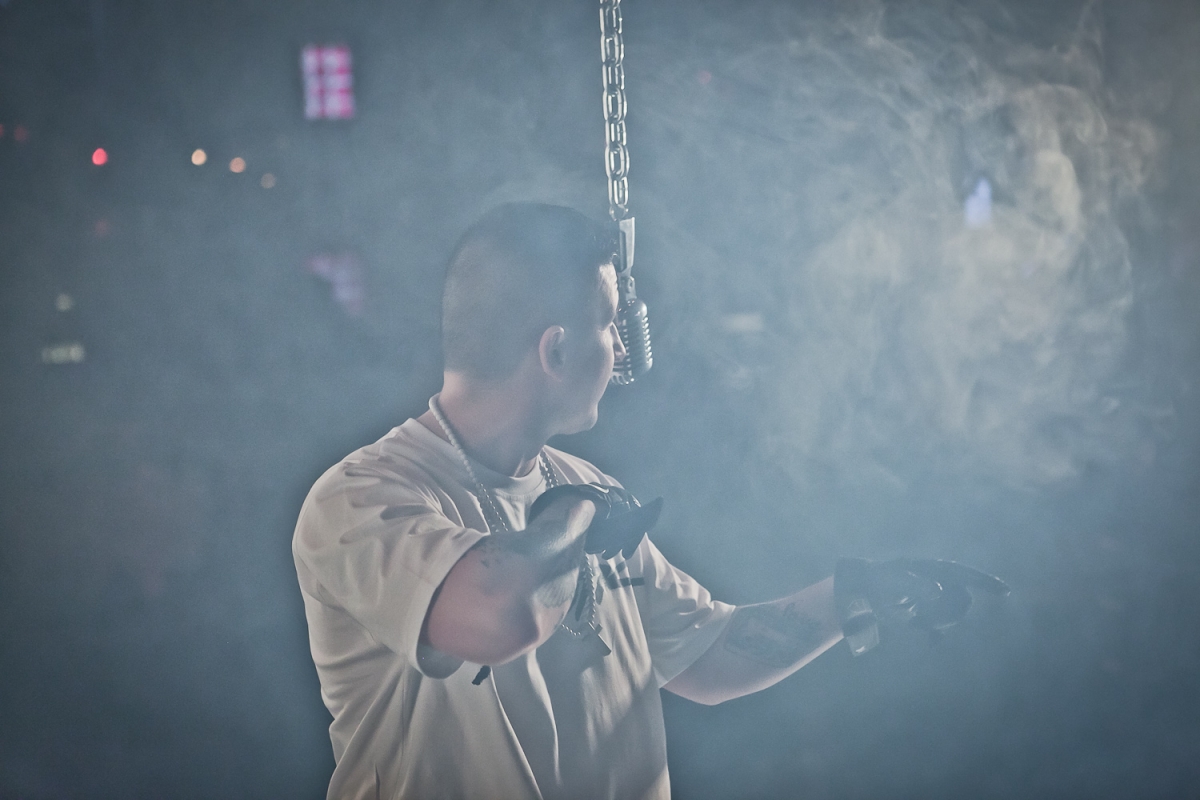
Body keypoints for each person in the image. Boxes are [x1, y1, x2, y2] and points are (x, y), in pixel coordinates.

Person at [292, 203, 1004, 800]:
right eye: (609, 325)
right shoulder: (361, 499)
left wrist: (850, 595)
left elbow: (708, 657)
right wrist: (575, 513)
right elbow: (495, 615)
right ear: (556, 351)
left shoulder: (589, 487)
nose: (621, 353)